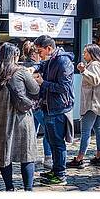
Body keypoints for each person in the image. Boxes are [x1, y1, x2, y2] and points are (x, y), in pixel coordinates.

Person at [0, 42, 39, 191]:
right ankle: (28, 189)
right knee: (26, 154)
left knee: (4, 154)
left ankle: (9, 188)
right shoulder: (21, 71)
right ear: (14, 56)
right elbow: (35, 89)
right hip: (20, 118)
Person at [33, 35, 75, 185]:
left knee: (57, 143)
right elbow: (42, 65)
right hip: (49, 107)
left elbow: (63, 88)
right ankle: (55, 171)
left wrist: (43, 83)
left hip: (58, 109)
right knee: (52, 141)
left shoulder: (63, 62)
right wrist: (34, 67)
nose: (39, 54)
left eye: (40, 51)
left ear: (49, 48)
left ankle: (60, 175)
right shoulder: (52, 59)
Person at [66, 44, 100, 168]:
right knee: (99, 128)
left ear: (92, 53)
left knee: (86, 131)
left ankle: (79, 159)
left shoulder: (95, 65)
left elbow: (95, 80)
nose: (83, 55)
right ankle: (99, 156)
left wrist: (83, 70)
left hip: (92, 104)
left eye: (85, 53)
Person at [21, 40, 53, 170]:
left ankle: (31, 156)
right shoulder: (35, 66)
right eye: (38, 52)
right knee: (47, 131)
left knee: (31, 131)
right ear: (34, 53)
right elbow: (37, 86)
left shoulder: (23, 64)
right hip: (37, 104)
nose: (40, 55)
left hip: (29, 104)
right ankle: (48, 157)